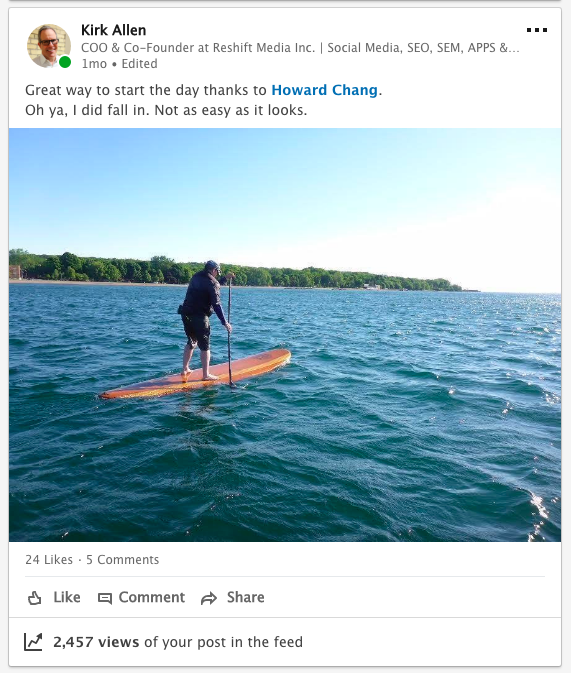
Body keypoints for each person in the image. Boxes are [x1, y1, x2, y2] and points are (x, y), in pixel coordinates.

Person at [178, 261, 235, 380]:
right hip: (199, 316)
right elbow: (217, 304)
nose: (217, 275)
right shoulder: (213, 282)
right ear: (214, 270)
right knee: (205, 346)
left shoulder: (196, 276)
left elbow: (210, 285)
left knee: (192, 341)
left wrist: (225, 278)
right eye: (217, 273)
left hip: (186, 314)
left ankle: (185, 369)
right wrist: (224, 322)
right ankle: (206, 375)